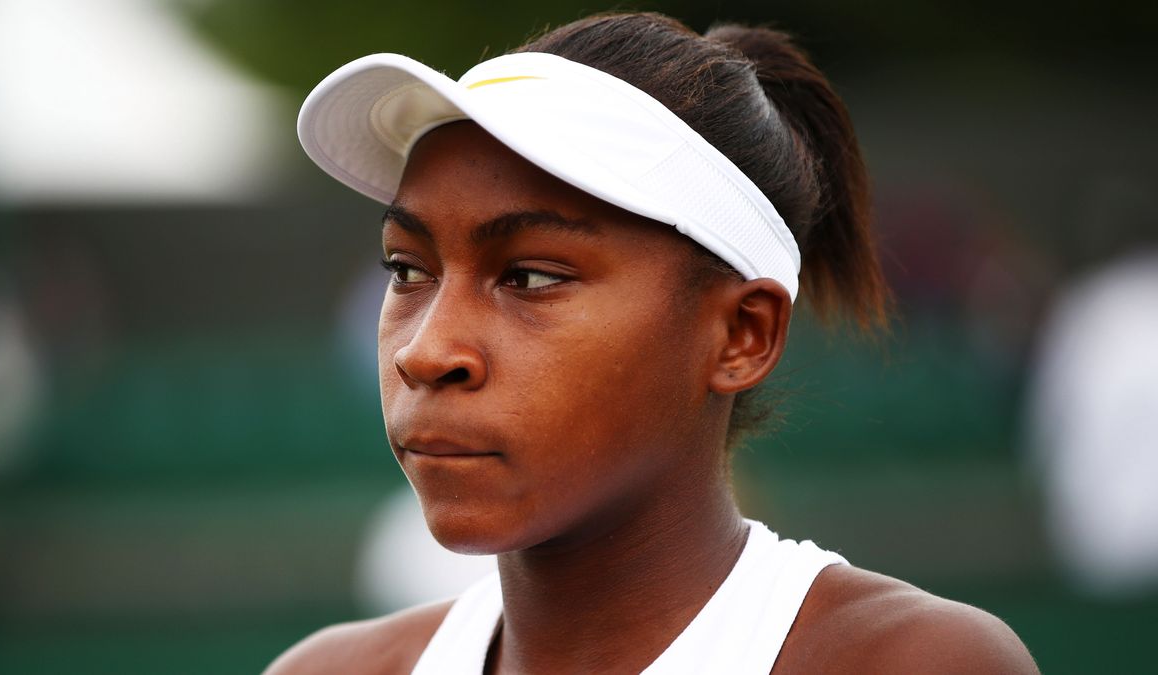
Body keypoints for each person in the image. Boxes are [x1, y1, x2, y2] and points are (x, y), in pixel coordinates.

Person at [267, 12, 1038, 674]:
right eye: (408, 268)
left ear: (742, 333)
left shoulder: (912, 662)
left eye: (531, 277)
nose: (427, 352)